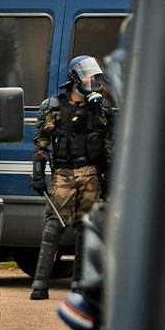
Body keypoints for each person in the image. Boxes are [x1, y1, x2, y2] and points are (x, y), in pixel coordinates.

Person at [29, 55, 113, 300]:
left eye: (94, 76)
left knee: (86, 229)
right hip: (63, 173)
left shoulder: (100, 107)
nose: (92, 80)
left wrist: (108, 178)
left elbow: (108, 146)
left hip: (90, 174)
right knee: (53, 227)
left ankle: (80, 282)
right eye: (87, 75)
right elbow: (41, 143)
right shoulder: (53, 105)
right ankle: (40, 283)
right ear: (75, 77)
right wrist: (37, 174)